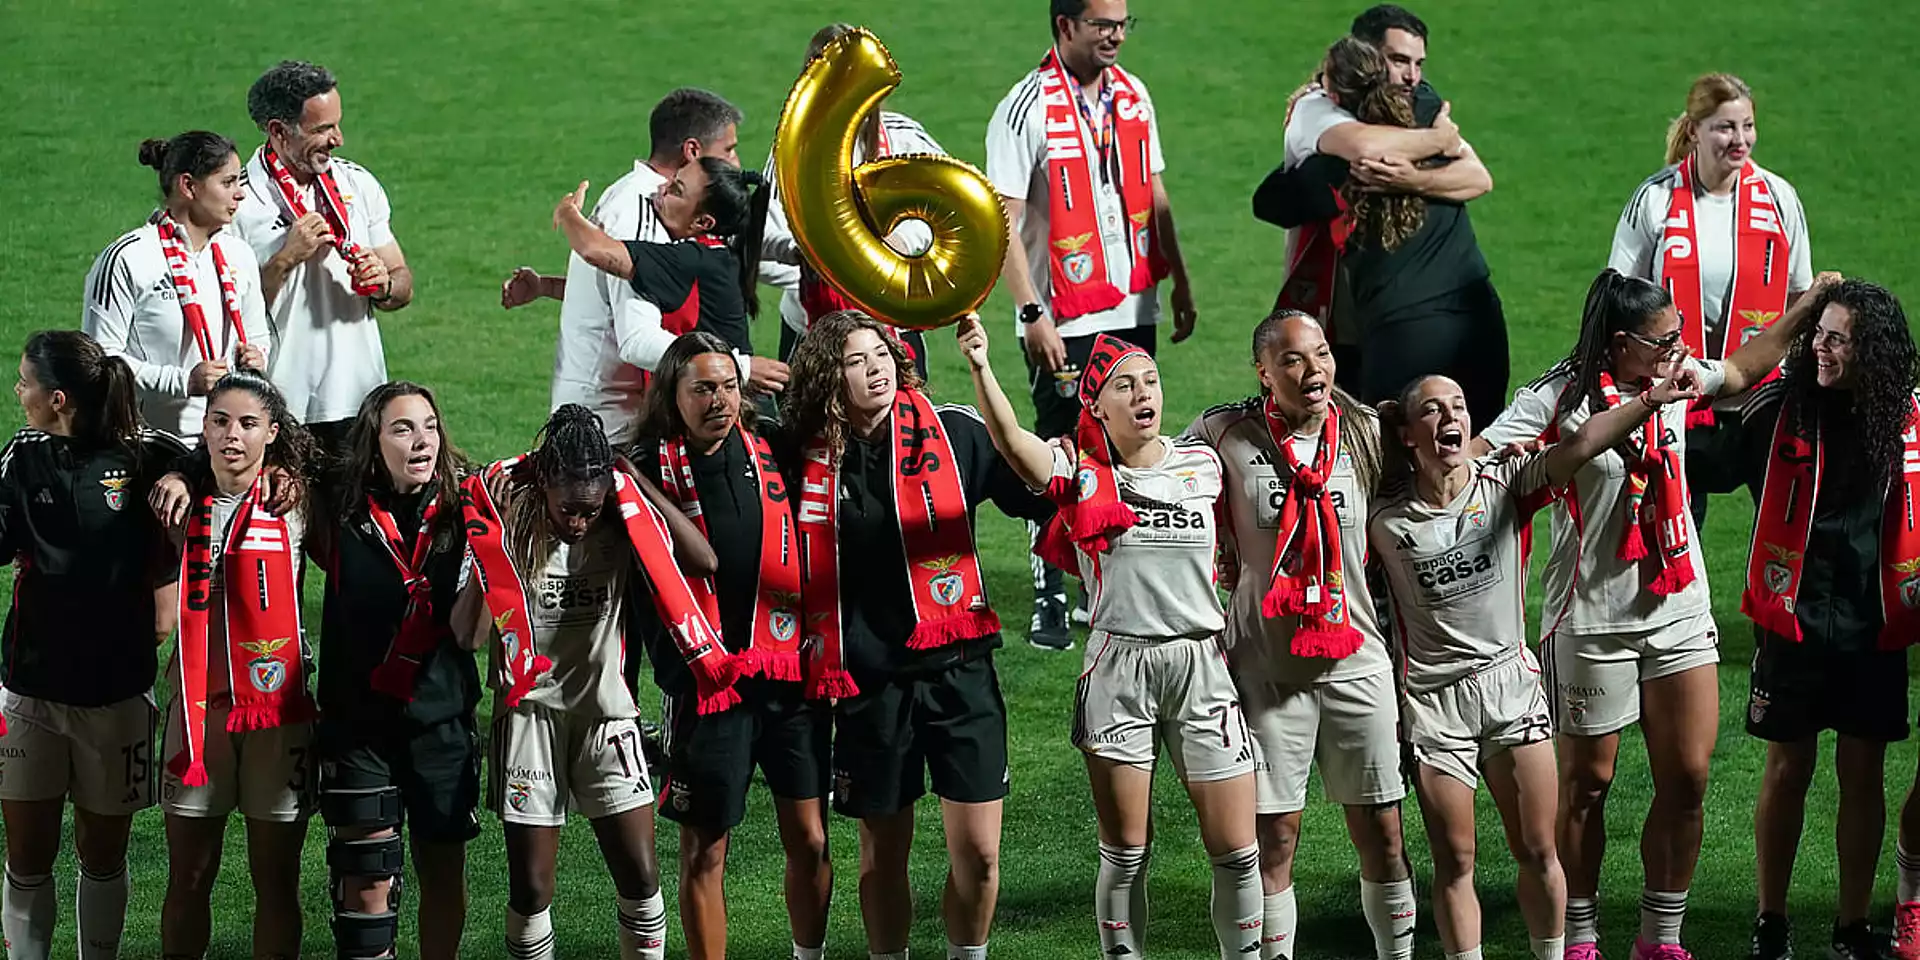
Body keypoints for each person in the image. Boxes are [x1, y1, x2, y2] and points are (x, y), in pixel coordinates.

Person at [1479, 268, 1828, 960]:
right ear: (1619, 344)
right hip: (1591, 618)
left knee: (1689, 778)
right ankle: (1580, 937)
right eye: (1663, 339)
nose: (1679, 349)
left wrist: (1808, 304)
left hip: (1677, 609)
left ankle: (1659, 939)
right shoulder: (1559, 397)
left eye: (1679, 335)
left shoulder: (1675, 375)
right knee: (1587, 785)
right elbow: (1481, 453)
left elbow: (1743, 367)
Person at [1373, 370, 1701, 960]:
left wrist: (1650, 399)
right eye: (1432, 410)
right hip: (1434, 701)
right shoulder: (1383, 520)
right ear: (1407, 432)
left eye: (1458, 405)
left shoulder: (1505, 481)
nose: (1450, 417)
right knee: (1455, 860)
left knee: (1539, 849)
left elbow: (1582, 443)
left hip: (1510, 689)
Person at [959, 319, 1261, 958]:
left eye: (1150, 380)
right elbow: (1012, 443)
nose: (1143, 393)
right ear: (1095, 404)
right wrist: (982, 366)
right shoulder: (1077, 469)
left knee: (1238, 850)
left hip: (1202, 663)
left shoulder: (1203, 464)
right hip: (1119, 667)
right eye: (1124, 386)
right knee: (1126, 850)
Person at [778, 311, 1055, 960]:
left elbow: (1038, 488)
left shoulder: (952, 433)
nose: (874, 369)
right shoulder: (804, 457)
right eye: (855, 360)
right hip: (870, 682)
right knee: (883, 855)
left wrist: (984, 369)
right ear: (829, 376)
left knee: (980, 855)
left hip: (960, 671)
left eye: (881, 355)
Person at [1687, 279, 1913, 960]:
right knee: (1788, 769)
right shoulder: (1777, 408)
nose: (1821, 348)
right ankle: (1771, 920)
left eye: (1838, 339)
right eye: (1818, 334)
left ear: (1872, 352)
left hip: (1875, 626)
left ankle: (1851, 926)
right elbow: (1708, 463)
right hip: (1792, 623)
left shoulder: (1908, 421)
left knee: (1863, 775)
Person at [1188, 312, 1414, 960]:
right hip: (1267, 670)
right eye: (1292, 359)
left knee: (1383, 833)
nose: (1313, 369)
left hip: (1357, 662)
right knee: (1275, 839)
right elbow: (1157, 470)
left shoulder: (1366, 432)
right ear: (1263, 372)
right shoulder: (1224, 432)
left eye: (1321, 353)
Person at [476, 404, 723, 960]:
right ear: (544, 484)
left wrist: (636, 484)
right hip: (529, 716)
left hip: (607, 713)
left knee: (641, 876)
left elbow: (703, 560)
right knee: (532, 888)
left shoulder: (620, 519)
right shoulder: (510, 521)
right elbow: (469, 633)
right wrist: (493, 539)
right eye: (569, 509)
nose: (580, 522)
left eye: (590, 509)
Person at [986, 0, 1197, 651]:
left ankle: (1104, 577)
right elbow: (1002, 220)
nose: (1116, 36)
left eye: (1122, 23)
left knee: (1126, 443)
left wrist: (1180, 279)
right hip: (1062, 316)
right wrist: (1031, 312)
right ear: (1065, 26)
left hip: (1133, 304)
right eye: (1103, 24)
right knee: (1060, 453)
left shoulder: (1134, 95)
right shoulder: (1024, 107)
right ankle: (1049, 590)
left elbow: (1155, 194)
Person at [623, 332, 831, 960]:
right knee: (705, 850)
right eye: (703, 389)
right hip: (705, 688)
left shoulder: (770, 446)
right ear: (672, 395)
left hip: (785, 676)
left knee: (811, 838)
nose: (720, 400)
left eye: (729, 387)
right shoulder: (644, 465)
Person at [0, 332, 184, 960]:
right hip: (31, 690)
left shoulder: (146, 454)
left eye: (25, 382)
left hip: (117, 693)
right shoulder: (23, 456)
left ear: (58, 399)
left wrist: (185, 481)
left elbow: (210, 462)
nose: (18, 391)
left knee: (102, 854)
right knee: (27, 854)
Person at [497, 89, 788, 441]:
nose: (735, 162)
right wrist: (740, 368)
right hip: (614, 423)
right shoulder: (645, 213)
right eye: (728, 149)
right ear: (692, 151)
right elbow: (637, 338)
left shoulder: (640, 198)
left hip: (606, 413)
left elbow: (615, 286)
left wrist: (551, 275)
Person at [1254, 30, 1507, 427]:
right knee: (1476, 439)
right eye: (1398, 60)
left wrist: (1410, 178)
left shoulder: (1336, 159)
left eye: (1417, 64)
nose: (1410, 76)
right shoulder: (1422, 116)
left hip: (1400, 321)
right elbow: (1368, 149)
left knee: (1386, 443)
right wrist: (1437, 140)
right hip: (1469, 310)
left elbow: (1269, 202)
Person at [311, 382, 483, 960]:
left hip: (441, 723)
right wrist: (184, 472)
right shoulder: (338, 505)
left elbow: (473, 635)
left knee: (442, 872)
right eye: (403, 428)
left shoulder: (469, 508)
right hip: (358, 726)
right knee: (365, 879)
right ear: (374, 440)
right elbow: (269, 442)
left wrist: (496, 550)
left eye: (430, 426)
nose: (421, 440)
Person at [154, 368, 319, 960]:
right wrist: (178, 473)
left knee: (276, 881)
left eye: (249, 423)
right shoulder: (178, 500)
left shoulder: (294, 499)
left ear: (272, 432)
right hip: (198, 712)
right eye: (220, 421)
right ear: (202, 427)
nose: (232, 435)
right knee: (189, 876)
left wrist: (291, 472)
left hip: (277, 712)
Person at [1609, 73, 1812, 527]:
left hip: (1763, 403)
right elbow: (1618, 296)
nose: (1740, 140)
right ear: (1694, 130)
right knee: (1675, 539)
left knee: (1785, 535)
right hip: (1677, 400)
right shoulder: (1655, 198)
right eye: (1725, 127)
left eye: (1748, 126)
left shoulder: (1780, 199)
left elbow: (1800, 298)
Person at [233, 60, 412, 457]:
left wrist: (383, 285)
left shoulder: (357, 184)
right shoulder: (238, 204)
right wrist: (284, 259)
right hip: (280, 406)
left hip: (361, 400)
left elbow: (402, 282)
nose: (338, 139)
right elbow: (229, 315)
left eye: (337, 125)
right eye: (322, 129)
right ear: (279, 132)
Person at [761, 22, 947, 378]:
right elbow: (760, 241)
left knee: (903, 416)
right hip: (814, 332)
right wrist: (816, 270)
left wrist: (902, 242)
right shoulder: (791, 154)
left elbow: (944, 212)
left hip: (893, 329)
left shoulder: (903, 138)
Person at [82, 131, 270, 440]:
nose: (240, 194)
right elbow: (101, 362)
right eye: (228, 183)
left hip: (225, 443)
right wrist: (183, 382)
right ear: (188, 186)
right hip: (148, 443)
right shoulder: (128, 257)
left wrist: (258, 355)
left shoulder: (239, 254)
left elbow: (258, 335)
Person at [549, 159, 773, 375]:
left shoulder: (692, 259)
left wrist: (568, 212)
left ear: (703, 222)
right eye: (672, 178)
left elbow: (594, 249)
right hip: (720, 387)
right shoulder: (715, 253)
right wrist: (545, 287)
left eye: (676, 190)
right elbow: (620, 293)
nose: (661, 187)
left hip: (726, 393)